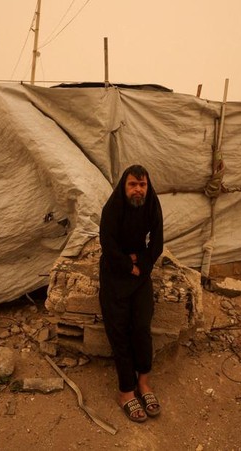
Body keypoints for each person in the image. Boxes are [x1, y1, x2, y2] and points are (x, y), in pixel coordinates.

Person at [98, 164, 164, 423]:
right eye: (133, 185)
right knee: (119, 331)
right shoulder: (112, 208)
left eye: (142, 185)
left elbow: (157, 242)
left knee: (141, 327)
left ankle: (143, 383)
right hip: (115, 272)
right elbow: (108, 244)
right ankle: (126, 391)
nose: (138, 190)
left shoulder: (151, 205)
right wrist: (129, 265)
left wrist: (142, 265)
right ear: (124, 187)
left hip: (140, 273)